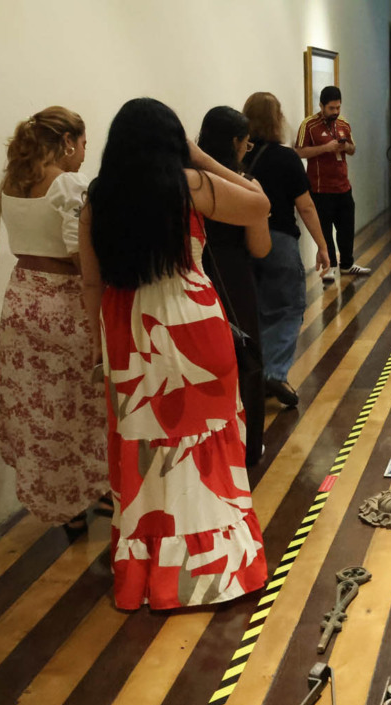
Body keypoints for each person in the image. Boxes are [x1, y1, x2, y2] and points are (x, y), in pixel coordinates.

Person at [80, 97, 269, 611]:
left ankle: (151, 570)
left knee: (145, 446)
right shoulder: (186, 185)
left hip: (128, 329)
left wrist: (99, 345)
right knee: (205, 444)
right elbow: (258, 205)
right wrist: (202, 157)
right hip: (191, 321)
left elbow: (92, 283)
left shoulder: (97, 200)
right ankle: (212, 566)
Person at [0, 106, 108, 540]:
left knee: (40, 410)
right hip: (64, 302)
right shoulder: (68, 184)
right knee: (82, 405)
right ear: (66, 142)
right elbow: (80, 254)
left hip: (22, 296)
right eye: (83, 143)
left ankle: (69, 505)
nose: (85, 153)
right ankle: (94, 490)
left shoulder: (11, 183)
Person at [244, 92, 332, 408]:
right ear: (276, 119)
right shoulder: (286, 158)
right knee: (288, 307)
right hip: (279, 239)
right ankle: (274, 372)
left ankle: (253, 376)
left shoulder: (237, 157)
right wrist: (323, 245)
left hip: (242, 242)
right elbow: (305, 206)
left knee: (253, 309)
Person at [197, 106, 272, 473]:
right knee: (245, 359)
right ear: (236, 143)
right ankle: (248, 446)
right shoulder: (244, 185)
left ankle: (209, 448)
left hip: (193, 274)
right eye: (246, 142)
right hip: (233, 278)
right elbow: (260, 247)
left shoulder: (185, 179)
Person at [294, 86, 372, 281]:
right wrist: (325, 148)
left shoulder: (343, 123)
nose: (335, 112)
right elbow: (299, 152)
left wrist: (345, 147)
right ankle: (329, 267)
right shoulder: (308, 125)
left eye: (338, 107)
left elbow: (353, 149)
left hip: (343, 187)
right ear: (321, 106)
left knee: (346, 229)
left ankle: (347, 264)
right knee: (325, 230)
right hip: (320, 189)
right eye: (331, 108)